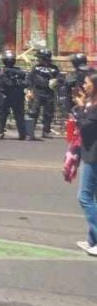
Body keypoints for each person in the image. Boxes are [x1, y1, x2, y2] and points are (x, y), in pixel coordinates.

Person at [69, 72, 97, 256]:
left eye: (87, 83)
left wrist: (80, 108)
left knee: (84, 197)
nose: (84, 86)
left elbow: (85, 125)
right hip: (89, 152)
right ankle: (92, 240)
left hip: (94, 155)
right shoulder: (91, 103)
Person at [0, 51, 28, 139]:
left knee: (18, 115)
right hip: (4, 95)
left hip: (15, 95)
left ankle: (22, 133)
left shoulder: (18, 71)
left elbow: (25, 81)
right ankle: (0, 131)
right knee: (2, 115)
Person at [28, 48, 62, 138]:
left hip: (49, 92)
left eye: (40, 58)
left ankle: (46, 131)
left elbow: (60, 79)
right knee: (34, 112)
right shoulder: (36, 68)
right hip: (37, 92)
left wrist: (56, 81)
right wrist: (29, 90)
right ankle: (30, 131)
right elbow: (30, 79)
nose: (38, 59)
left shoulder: (54, 68)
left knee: (48, 112)